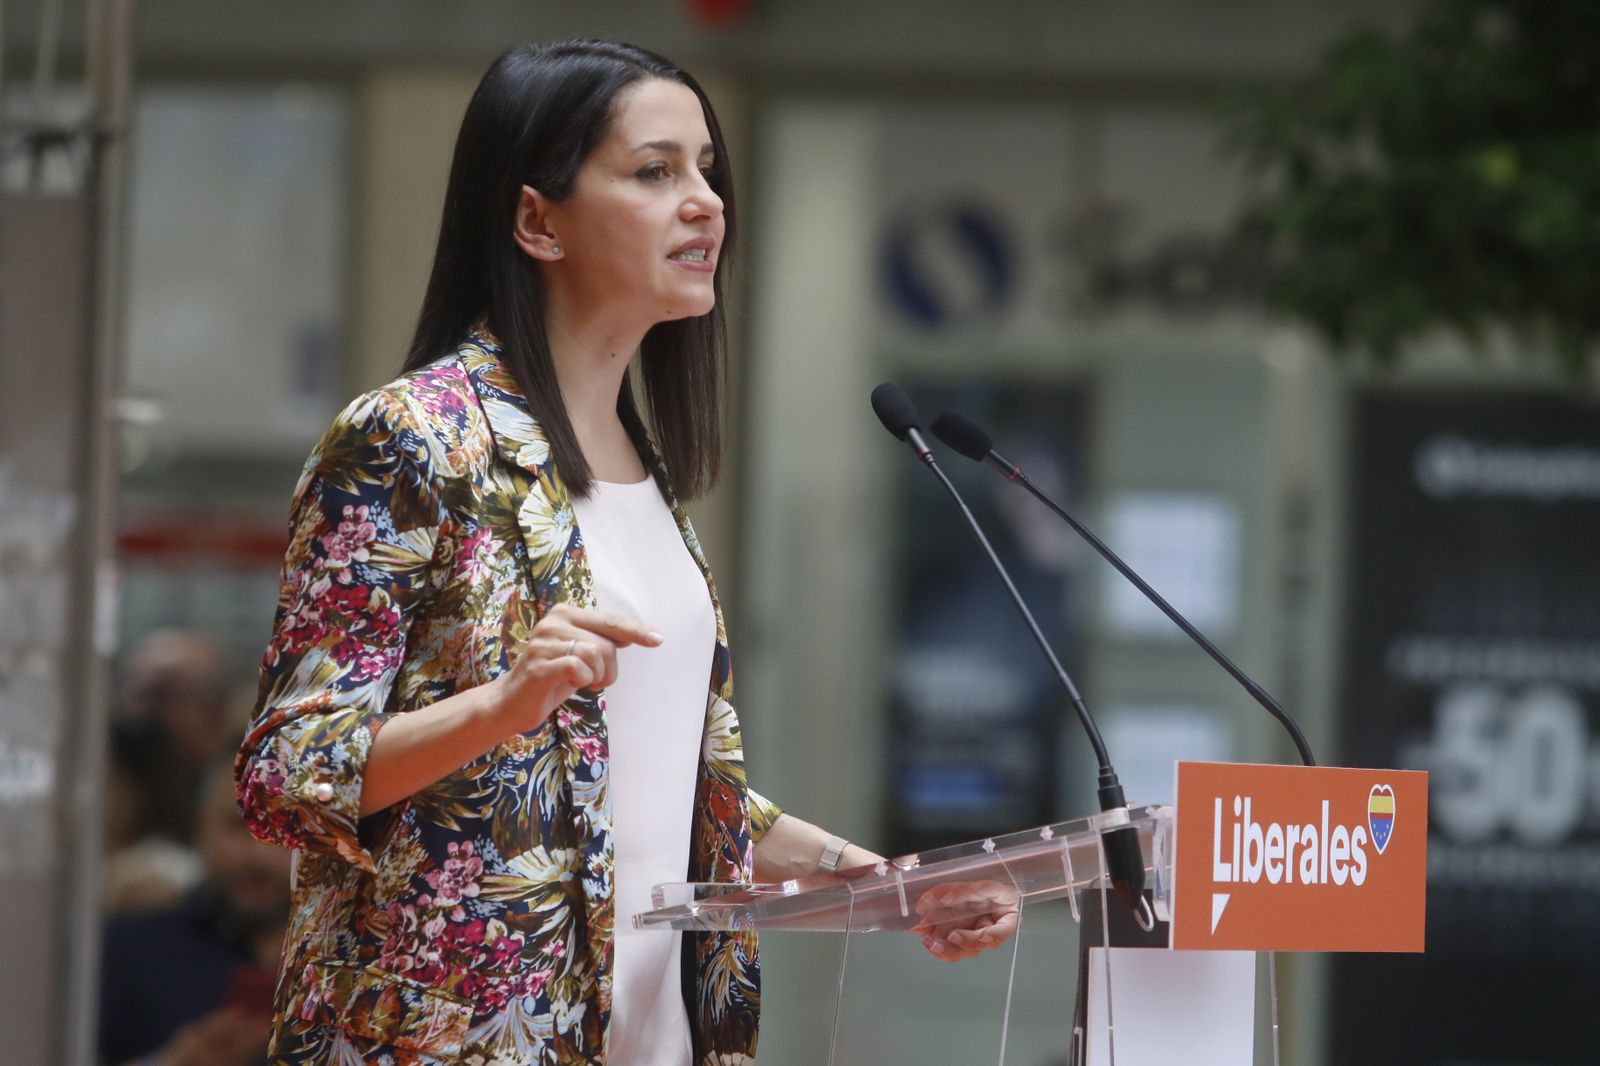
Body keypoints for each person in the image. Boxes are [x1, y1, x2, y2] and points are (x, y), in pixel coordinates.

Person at [235, 38, 1013, 1065]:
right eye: (655, 171)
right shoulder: (409, 439)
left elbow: (651, 786)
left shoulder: (644, 469)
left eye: (707, 171)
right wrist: (502, 704)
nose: (706, 204)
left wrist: (888, 885)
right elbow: (286, 773)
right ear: (537, 220)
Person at [100, 764, 290, 1066]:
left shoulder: (352, 967)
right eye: (240, 825)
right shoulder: (124, 950)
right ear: (200, 826)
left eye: (285, 828)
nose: (259, 856)